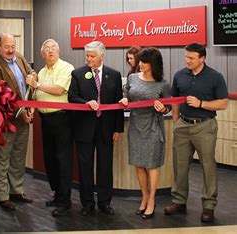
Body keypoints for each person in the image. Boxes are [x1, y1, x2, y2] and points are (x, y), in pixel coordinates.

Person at [164, 43, 228, 223]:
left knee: (208, 166)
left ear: (202, 58)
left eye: (191, 58)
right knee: (180, 165)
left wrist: (201, 104)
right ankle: (179, 201)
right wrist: (176, 121)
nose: (187, 61)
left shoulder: (215, 77)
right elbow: (175, 100)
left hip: (205, 126)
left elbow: (223, 103)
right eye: (186, 57)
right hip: (183, 125)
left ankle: (208, 206)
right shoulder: (179, 75)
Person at [68, 41, 124, 216]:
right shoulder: (78, 74)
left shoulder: (114, 75)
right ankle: (87, 203)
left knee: (105, 166)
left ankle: (105, 202)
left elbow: (118, 104)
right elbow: (71, 97)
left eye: (92, 56)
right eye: (87, 56)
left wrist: (117, 129)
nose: (89, 59)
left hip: (106, 129)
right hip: (84, 128)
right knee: (85, 167)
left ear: (102, 55)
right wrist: (85, 103)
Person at [118, 47, 170, 219]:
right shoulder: (132, 78)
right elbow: (126, 94)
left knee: (152, 165)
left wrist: (163, 108)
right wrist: (124, 99)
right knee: (139, 164)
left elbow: (167, 106)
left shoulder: (163, 84)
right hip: (135, 126)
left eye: (143, 62)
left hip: (153, 127)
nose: (139, 64)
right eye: (139, 61)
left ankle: (152, 199)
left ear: (153, 64)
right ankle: (144, 196)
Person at [0, 33, 34, 211]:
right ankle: (3, 196)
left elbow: (31, 75)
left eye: (13, 46)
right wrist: (21, 113)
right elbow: (2, 94)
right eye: (7, 47)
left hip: (24, 117)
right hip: (5, 119)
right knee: (2, 158)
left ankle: (16, 191)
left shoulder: (19, 57)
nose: (11, 50)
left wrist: (30, 108)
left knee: (18, 157)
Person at [25, 39, 74, 217]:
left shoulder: (66, 68)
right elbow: (36, 95)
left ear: (59, 51)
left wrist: (36, 84)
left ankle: (65, 201)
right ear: (42, 54)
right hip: (44, 119)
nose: (50, 51)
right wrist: (31, 108)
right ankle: (57, 194)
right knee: (50, 159)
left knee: (63, 159)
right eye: (47, 49)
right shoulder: (42, 72)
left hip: (62, 119)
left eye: (54, 48)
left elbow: (59, 89)